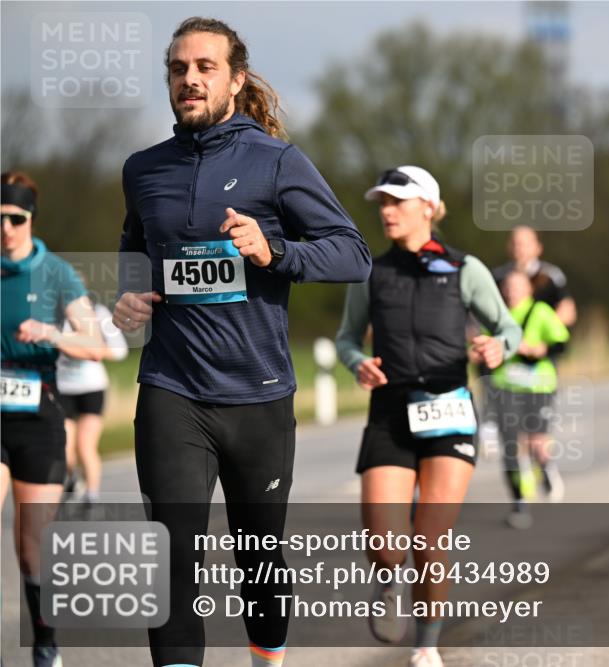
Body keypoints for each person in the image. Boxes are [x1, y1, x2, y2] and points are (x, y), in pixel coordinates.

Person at [112, 17, 371, 667]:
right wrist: (130, 300)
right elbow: (133, 251)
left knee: (258, 555)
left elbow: (353, 253)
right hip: (173, 390)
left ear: (235, 78)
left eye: (204, 67)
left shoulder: (277, 162)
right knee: (170, 555)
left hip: (257, 394)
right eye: (178, 68)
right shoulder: (144, 170)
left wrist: (272, 249)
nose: (190, 79)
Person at [336, 165, 520, 667]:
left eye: (397, 201)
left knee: (429, 537)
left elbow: (508, 329)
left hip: (449, 408)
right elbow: (347, 339)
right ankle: (389, 578)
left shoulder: (466, 269)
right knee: (383, 543)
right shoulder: (370, 272)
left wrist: (498, 348)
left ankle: (427, 644)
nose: (388, 211)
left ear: (429, 208)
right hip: (390, 412)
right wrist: (358, 364)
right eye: (383, 204)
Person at [2, 170, 106, 667]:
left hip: (38, 418)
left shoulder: (57, 274)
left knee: (32, 550)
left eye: (15, 219)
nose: (5, 228)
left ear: (31, 220)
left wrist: (50, 332)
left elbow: (98, 346)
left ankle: (46, 645)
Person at [491, 270, 570, 528]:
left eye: (516, 287)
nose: (511, 292)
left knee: (536, 440)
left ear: (528, 289)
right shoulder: (495, 315)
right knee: (511, 445)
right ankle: (519, 502)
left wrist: (538, 350)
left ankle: (545, 468)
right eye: (507, 287)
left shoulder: (541, 312)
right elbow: (483, 344)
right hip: (505, 386)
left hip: (538, 386)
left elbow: (562, 342)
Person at [57, 301, 128, 502]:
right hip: (63, 387)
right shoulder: (51, 314)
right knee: (65, 447)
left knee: (85, 446)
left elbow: (119, 351)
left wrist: (86, 351)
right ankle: (73, 480)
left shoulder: (98, 313)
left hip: (92, 387)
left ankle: (92, 495)